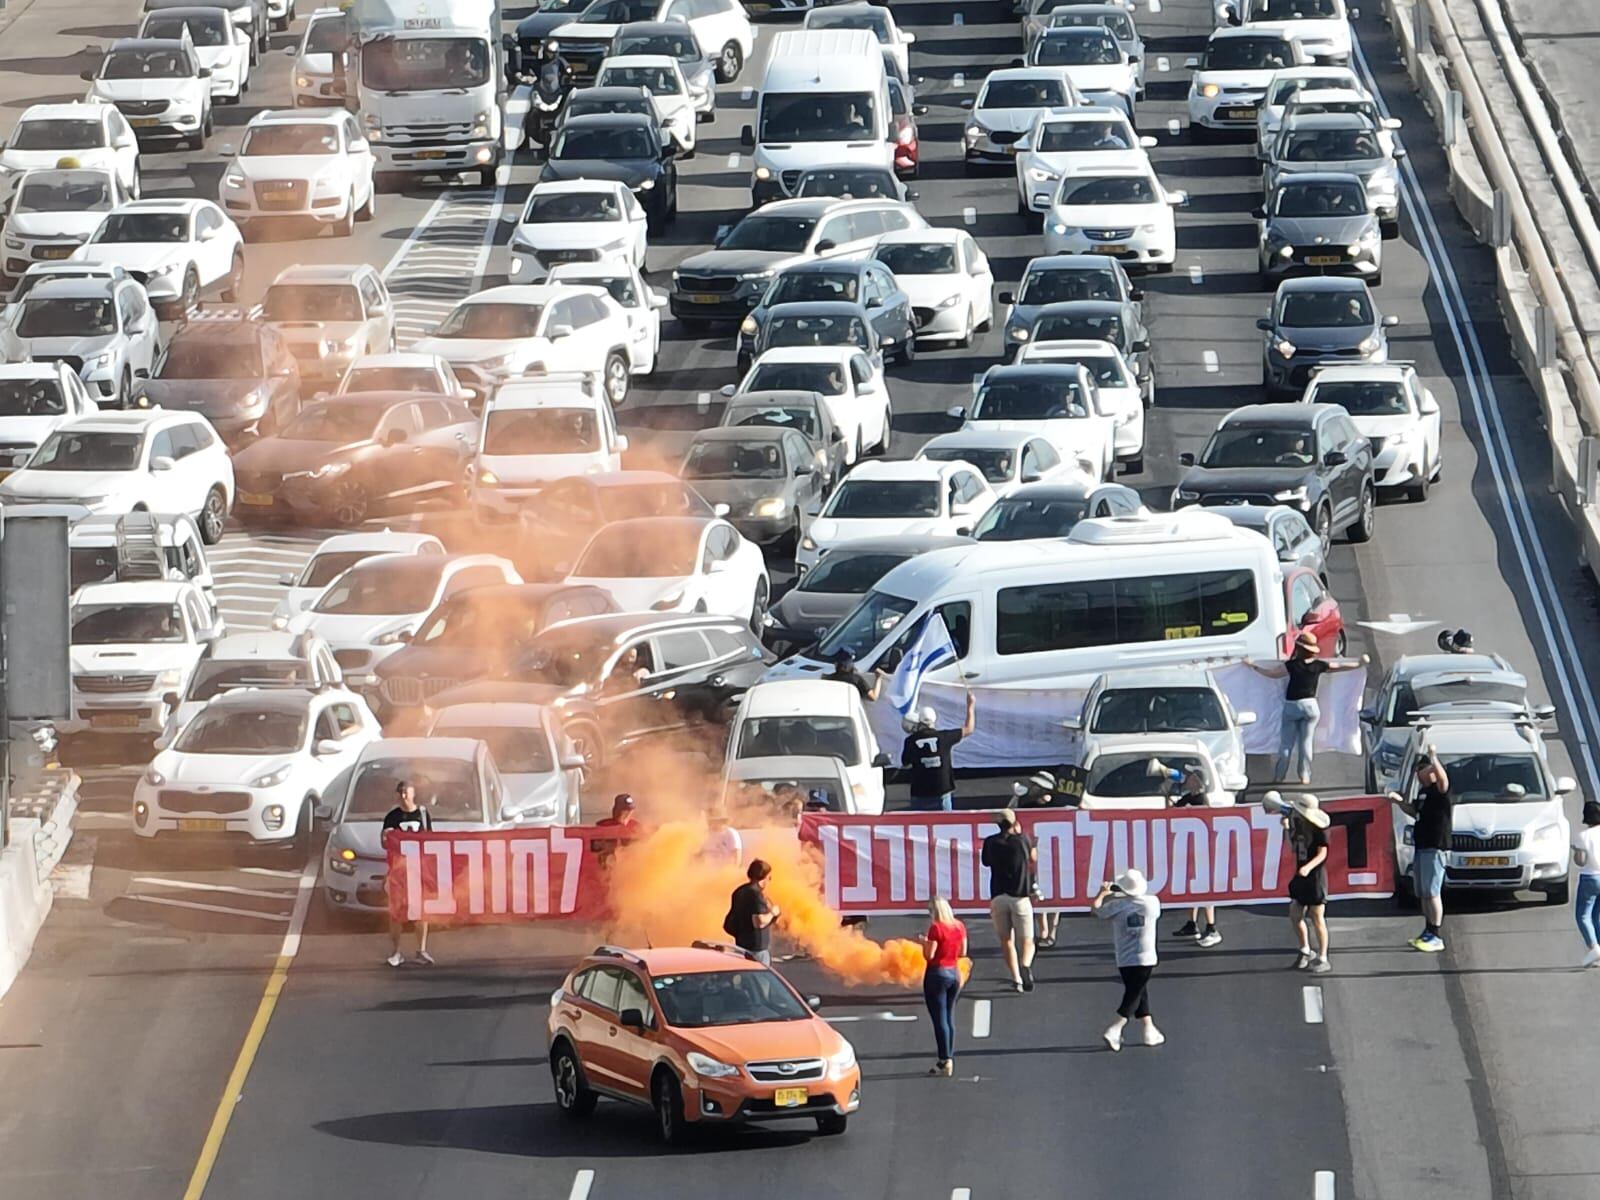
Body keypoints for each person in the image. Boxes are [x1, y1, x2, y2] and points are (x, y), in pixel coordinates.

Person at [1247, 632, 1367, 784]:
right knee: (1306, 743)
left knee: (1286, 744)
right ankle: (1304, 775)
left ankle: (1280, 775)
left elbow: (1272, 674)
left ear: (1298, 648)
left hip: (1292, 705)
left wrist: (1253, 666)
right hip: (1311, 706)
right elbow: (1339, 666)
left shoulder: (1291, 665)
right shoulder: (1319, 665)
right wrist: (1359, 664)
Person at [1389, 744, 1451, 952]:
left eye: (1421, 771)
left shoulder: (1439, 791)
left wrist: (1433, 756)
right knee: (1423, 892)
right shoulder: (1424, 793)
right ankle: (1427, 930)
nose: (1418, 776)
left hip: (1435, 846)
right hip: (1421, 846)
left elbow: (1443, 780)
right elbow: (1414, 810)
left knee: (1433, 892)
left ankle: (1436, 934)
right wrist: (1398, 802)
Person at [1092, 868, 1162, 1051]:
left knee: (1138, 991)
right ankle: (1115, 1028)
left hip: (1124, 958)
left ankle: (1149, 1029)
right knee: (1134, 993)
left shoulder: (1116, 906)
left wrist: (1102, 894)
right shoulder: (1152, 903)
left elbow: (1096, 911)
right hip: (1146, 957)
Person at [1157, 761, 1222, 948]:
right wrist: (1166, 791)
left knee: (1203, 889)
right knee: (1192, 888)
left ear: (1198, 781)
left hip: (1202, 852)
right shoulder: (1189, 797)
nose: (1187, 779)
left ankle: (1211, 928)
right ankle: (1192, 924)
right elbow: (1171, 813)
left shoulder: (1200, 801)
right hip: (1190, 850)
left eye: (1192, 777)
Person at [981, 808, 1037, 992]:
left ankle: (1016, 978)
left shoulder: (990, 842)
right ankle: (1026, 965)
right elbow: (1033, 858)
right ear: (1014, 823)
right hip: (1020, 896)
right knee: (1027, 940)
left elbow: (986, 862)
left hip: (998, 896)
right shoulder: (1022, 841)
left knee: (1006, 940)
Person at [382, 782, 433, 967]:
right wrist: (387, 836)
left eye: (407, 792)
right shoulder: (392, 817)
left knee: (420, 912)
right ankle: (396, 952)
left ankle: (421, 950)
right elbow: (384, 843)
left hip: (418, 870)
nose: (404, 796)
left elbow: (431, 841)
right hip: (398, 872)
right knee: (397, 913)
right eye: (401, 792)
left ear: (414, 793)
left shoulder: (423, 814)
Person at [1012, 772, 1065, 946]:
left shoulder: (1059, 804)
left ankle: (1052, 931)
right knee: (1037, 893)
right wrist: (1016, 797)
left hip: (1056, 856)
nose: (1034, 789)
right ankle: (1042, 931)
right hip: (1033, 855)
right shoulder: (1025, 801)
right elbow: (1009, 816)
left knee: (1055, 895)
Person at [900, 693, 977, 812]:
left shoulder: (910, 741)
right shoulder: (945, 737)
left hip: (920, 792)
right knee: (945, 826)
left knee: (919, 827)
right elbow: (969, 728)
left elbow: (905, 763)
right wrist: (970, 705)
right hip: (942, 790)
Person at [1282, 792, 1332, 973]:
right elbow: (1294, 847)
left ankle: (1323, 956)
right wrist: (1287, 829)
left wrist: (1308, 868)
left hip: (1315, 878)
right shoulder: (1299, 825)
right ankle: (1305, 949)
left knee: (1317, 917)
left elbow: (1322, 854)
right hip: (1301, 876)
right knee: (1295, 914)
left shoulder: (1320, 829)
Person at [921, 896, 967, 1077]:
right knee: (949, 1016)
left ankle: (944, 1060)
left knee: (939, 1018)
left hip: (936, 974)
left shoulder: (936, 928)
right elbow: (963, 952)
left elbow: (929, 956)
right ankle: (948, 1056)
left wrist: (924, 943)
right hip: (954, 973)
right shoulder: (959, 926)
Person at [724, 858, 781, 965]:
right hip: (757, 950)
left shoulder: (739, 891)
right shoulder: (756, 894)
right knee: (761, 981)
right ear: (763, 877)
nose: (770, 880)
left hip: (741, 946)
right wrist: (773, 912)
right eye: (769, 877)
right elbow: (758, 922)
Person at [1571, 800, 1600, 967]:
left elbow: (1581, 862)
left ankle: (1594, 947)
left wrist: (1576, 851)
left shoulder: (1583, 836)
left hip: (1590, 877)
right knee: (1597, 915)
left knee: (1583, 915)